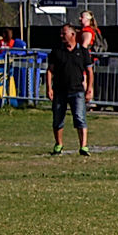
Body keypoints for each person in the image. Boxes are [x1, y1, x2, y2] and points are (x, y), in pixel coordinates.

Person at [46, 23, 94, 156]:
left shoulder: (83, 52)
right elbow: (50, 71)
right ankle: (58, 144)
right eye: (61, 33)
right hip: (60, 90)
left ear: (73, 35)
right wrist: (49, 88)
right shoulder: (57, 51)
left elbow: (89, 71)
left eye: (64, 33)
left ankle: (83, 146)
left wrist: (89, 89)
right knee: (58, 119)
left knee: (80, 118)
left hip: (77, 90)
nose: (61, 36)